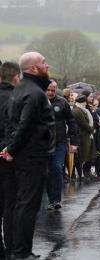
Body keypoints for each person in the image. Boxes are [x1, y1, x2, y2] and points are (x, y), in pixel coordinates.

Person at [2, 52, 55, 259]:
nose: (47, 64)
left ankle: (17, 249)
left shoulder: (19, 90)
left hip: (22, 155)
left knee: (19, 203)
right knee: (28, 205)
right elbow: (26, 125)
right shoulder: (34, 93)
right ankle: (21, 252)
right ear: (33, 68)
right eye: (43, 62)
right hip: (32, 157)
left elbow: (11, 123)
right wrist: (12, 149)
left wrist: (10, 148)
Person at [45, 79, 78, 210]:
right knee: (47, 172)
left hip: (60, 142)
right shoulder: (39, 102)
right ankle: (51, 199)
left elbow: (71, 121)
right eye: (48, 90)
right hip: (44, 143)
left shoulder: (62, 102)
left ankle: (57, 199)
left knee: (57, 168)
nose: (50, 92)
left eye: (53, 90)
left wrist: (74, 142)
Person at [0, 61, 20, 259]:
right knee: (10, 205)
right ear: (15, 77)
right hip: (8, 157)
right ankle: (12, 250)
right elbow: (16, 128)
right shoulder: (16, 98)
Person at [72, 94, 95, 179]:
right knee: (82, 155)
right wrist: (91, 130)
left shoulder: (83, 109)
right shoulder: (77, 111)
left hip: (87, 135)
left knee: (88, 154)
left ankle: (85, 172)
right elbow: (83, 123)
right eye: (85, 102)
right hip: (82, 136)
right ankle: (80, 174)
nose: (86, 103)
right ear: (83, 102)